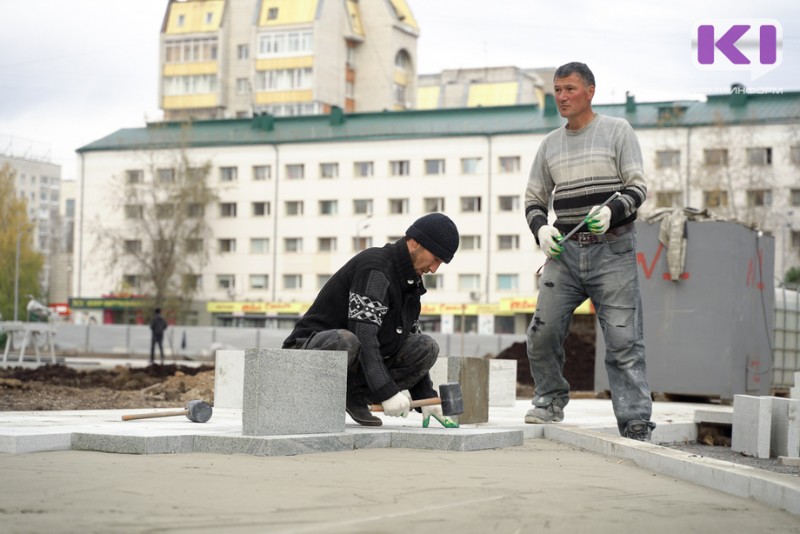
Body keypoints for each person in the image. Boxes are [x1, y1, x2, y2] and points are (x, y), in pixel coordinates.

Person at [523, 62, 656, 441]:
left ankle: (635, 419)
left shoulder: (617, 131)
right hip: (564, 255)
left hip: (612, 250)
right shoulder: (549, 144)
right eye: (557, 90)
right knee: (542, 333)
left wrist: (612, 211)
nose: (562, 97)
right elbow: (534, 199)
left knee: (624, 340)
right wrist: (541, 229)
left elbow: (637, 187)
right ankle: (549, 400)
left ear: (590, 91)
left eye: (570, 89)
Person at [283, 213, 459, 428]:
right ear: (415, 243)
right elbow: (364, 336)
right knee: (346, 341)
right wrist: (387, 392)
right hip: (307, 355)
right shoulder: (376, 269)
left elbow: (408, 338)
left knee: (425, 346)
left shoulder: (411, 284)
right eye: (435, 259)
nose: (433, 269)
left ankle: (354, 394)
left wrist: (426, 397)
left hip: (354, 363)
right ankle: (348, 393)